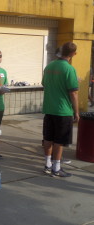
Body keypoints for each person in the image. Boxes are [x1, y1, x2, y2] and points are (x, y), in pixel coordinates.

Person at [42, 42, 79, 177]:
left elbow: (44, 84)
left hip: (49, 108)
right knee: (59, 140)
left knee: (48, 138)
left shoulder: (49, 66)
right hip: (63, 111)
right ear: (73, 54)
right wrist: (76, 112)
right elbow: (73, 93)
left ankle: (47, 165)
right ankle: (56, 168)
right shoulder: (69, 69)